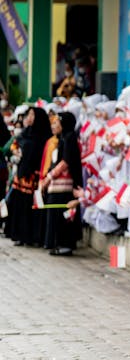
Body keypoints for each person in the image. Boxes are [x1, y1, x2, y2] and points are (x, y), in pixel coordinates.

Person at [41, 111, 83, 255]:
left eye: (56, 122)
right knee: (56, 216)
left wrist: (49, 177)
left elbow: (65, 162)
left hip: (64, 187)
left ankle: (65, 244)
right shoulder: (63, 138)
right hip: (57, 185)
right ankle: (57, 243)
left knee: (63, 216)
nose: (54, 125)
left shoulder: (69, 138)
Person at [10, 108, 51, 247]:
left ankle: (33, 236)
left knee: (32, 206)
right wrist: (16, 152)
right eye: (29, 114)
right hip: (22, 174)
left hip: (35, 176)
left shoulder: (44, 136)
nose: (30, 117)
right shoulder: (25, 133)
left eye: (33, 114)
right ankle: (20, 235)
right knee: (20, 206)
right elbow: (14, 144)